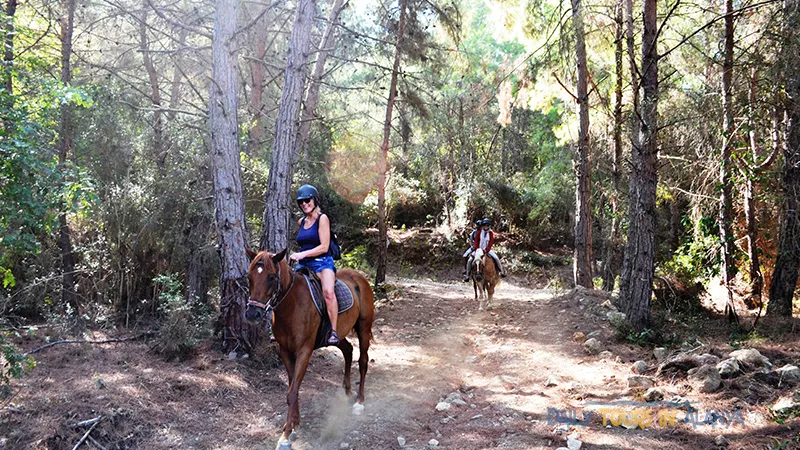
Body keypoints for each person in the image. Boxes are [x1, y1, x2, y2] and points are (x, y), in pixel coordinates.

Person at [288, 184, 340, 345]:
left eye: (307, 200)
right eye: (301, 202)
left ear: (315, 200)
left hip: (322, 263)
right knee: (286, 289)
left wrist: (302, 254)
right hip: (304, 264)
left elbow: (324, 246)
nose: (304, 204)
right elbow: (305, 243)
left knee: (328, 292)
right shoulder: (301, 221)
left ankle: (334, 331)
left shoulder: (322, 219)